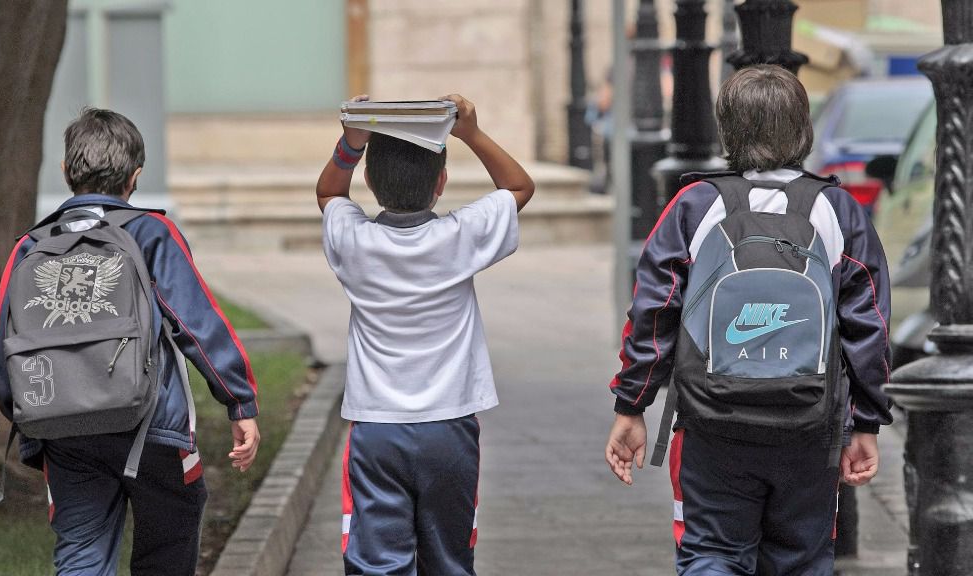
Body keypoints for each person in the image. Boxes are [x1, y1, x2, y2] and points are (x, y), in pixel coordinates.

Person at [604, 65, 892, 574]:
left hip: (712, 422)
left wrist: (633, 405)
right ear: (803, 127)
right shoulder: (837, 211)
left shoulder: (695, 206)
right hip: (809, 424)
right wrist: (864, 422)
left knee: (711, 552)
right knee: (801, 559)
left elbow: (653, 312)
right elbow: (868, 326)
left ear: (728, 129)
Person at [0, 108, 260, 575]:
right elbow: (198, 324)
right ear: (134, 178)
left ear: (66, 173)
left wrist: (35, 415)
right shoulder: (151, 231)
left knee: (81, 553)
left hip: (62, 429)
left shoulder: (30, 246)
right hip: (152, 426)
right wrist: (240, 403)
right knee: (169, 540)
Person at [317, 93, 534, 575]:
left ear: (369, 182)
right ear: (442, 183)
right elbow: (519, 186)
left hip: (376, 430)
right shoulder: (459, 237)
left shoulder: (354, 240)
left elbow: (330, 195)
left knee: (376, 561)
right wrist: (471, 133)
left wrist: (351, 145)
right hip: (450, 426)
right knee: (449, 559)